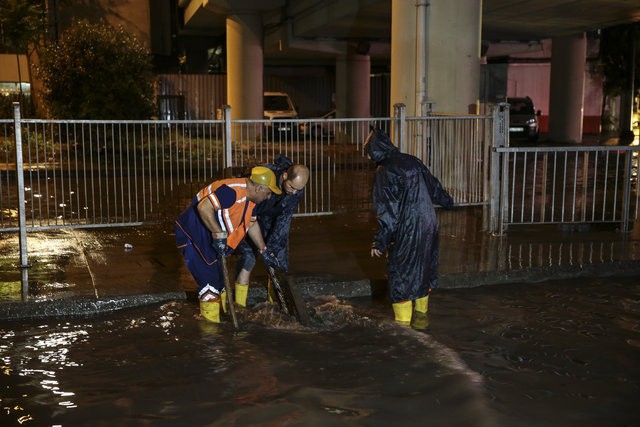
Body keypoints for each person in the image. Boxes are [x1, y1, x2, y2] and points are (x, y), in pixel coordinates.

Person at [363, 127, 454, 326]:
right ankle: (422, 322)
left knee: (401, 278)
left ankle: (404, 334)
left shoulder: (384, 171)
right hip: (429, 225)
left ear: (375, 150)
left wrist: (380, 242)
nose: (368, 157)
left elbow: (388, 212)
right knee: (423, 272)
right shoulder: (412, 160)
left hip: (407, 230)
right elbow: (434, 186)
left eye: (368, 152)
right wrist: (448, 202)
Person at [175, 166, 282, 323]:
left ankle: (222, 322)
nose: (268, 197)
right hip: (196, 237)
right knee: (210, 286)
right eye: (268, 193)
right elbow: (203, 207)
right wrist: (218, 234)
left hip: (212, 241)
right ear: (259, 188)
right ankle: (211, 335)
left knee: (220, 283)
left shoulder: (250, 200)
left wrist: (263, 249)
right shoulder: (231, 191)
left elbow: (251, 224)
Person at [233, 156, 310, 307]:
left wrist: (272, 250)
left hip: (270, 219)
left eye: (298, 190)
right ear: (285, 175)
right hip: (249, 215)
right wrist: (261, 247)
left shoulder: (296, 190)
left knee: (277, 261)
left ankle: (273, 304)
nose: (294, 193)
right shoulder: (265, 176)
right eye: (292, 187)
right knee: (248, 258)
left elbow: (284, 219)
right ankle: (239, 306)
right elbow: (245, 205)